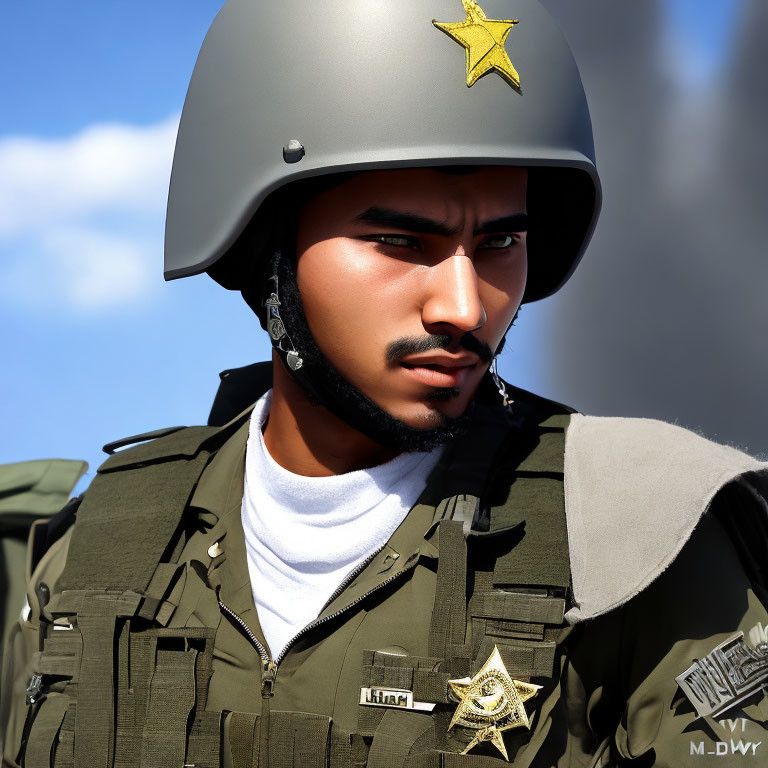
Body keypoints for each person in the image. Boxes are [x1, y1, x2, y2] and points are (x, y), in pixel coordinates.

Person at [3, 1, 768, 766]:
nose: (465, 307)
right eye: (402, 241)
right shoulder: (91, 552)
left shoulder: (635, 535)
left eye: (500, 242)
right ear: (266, 246)